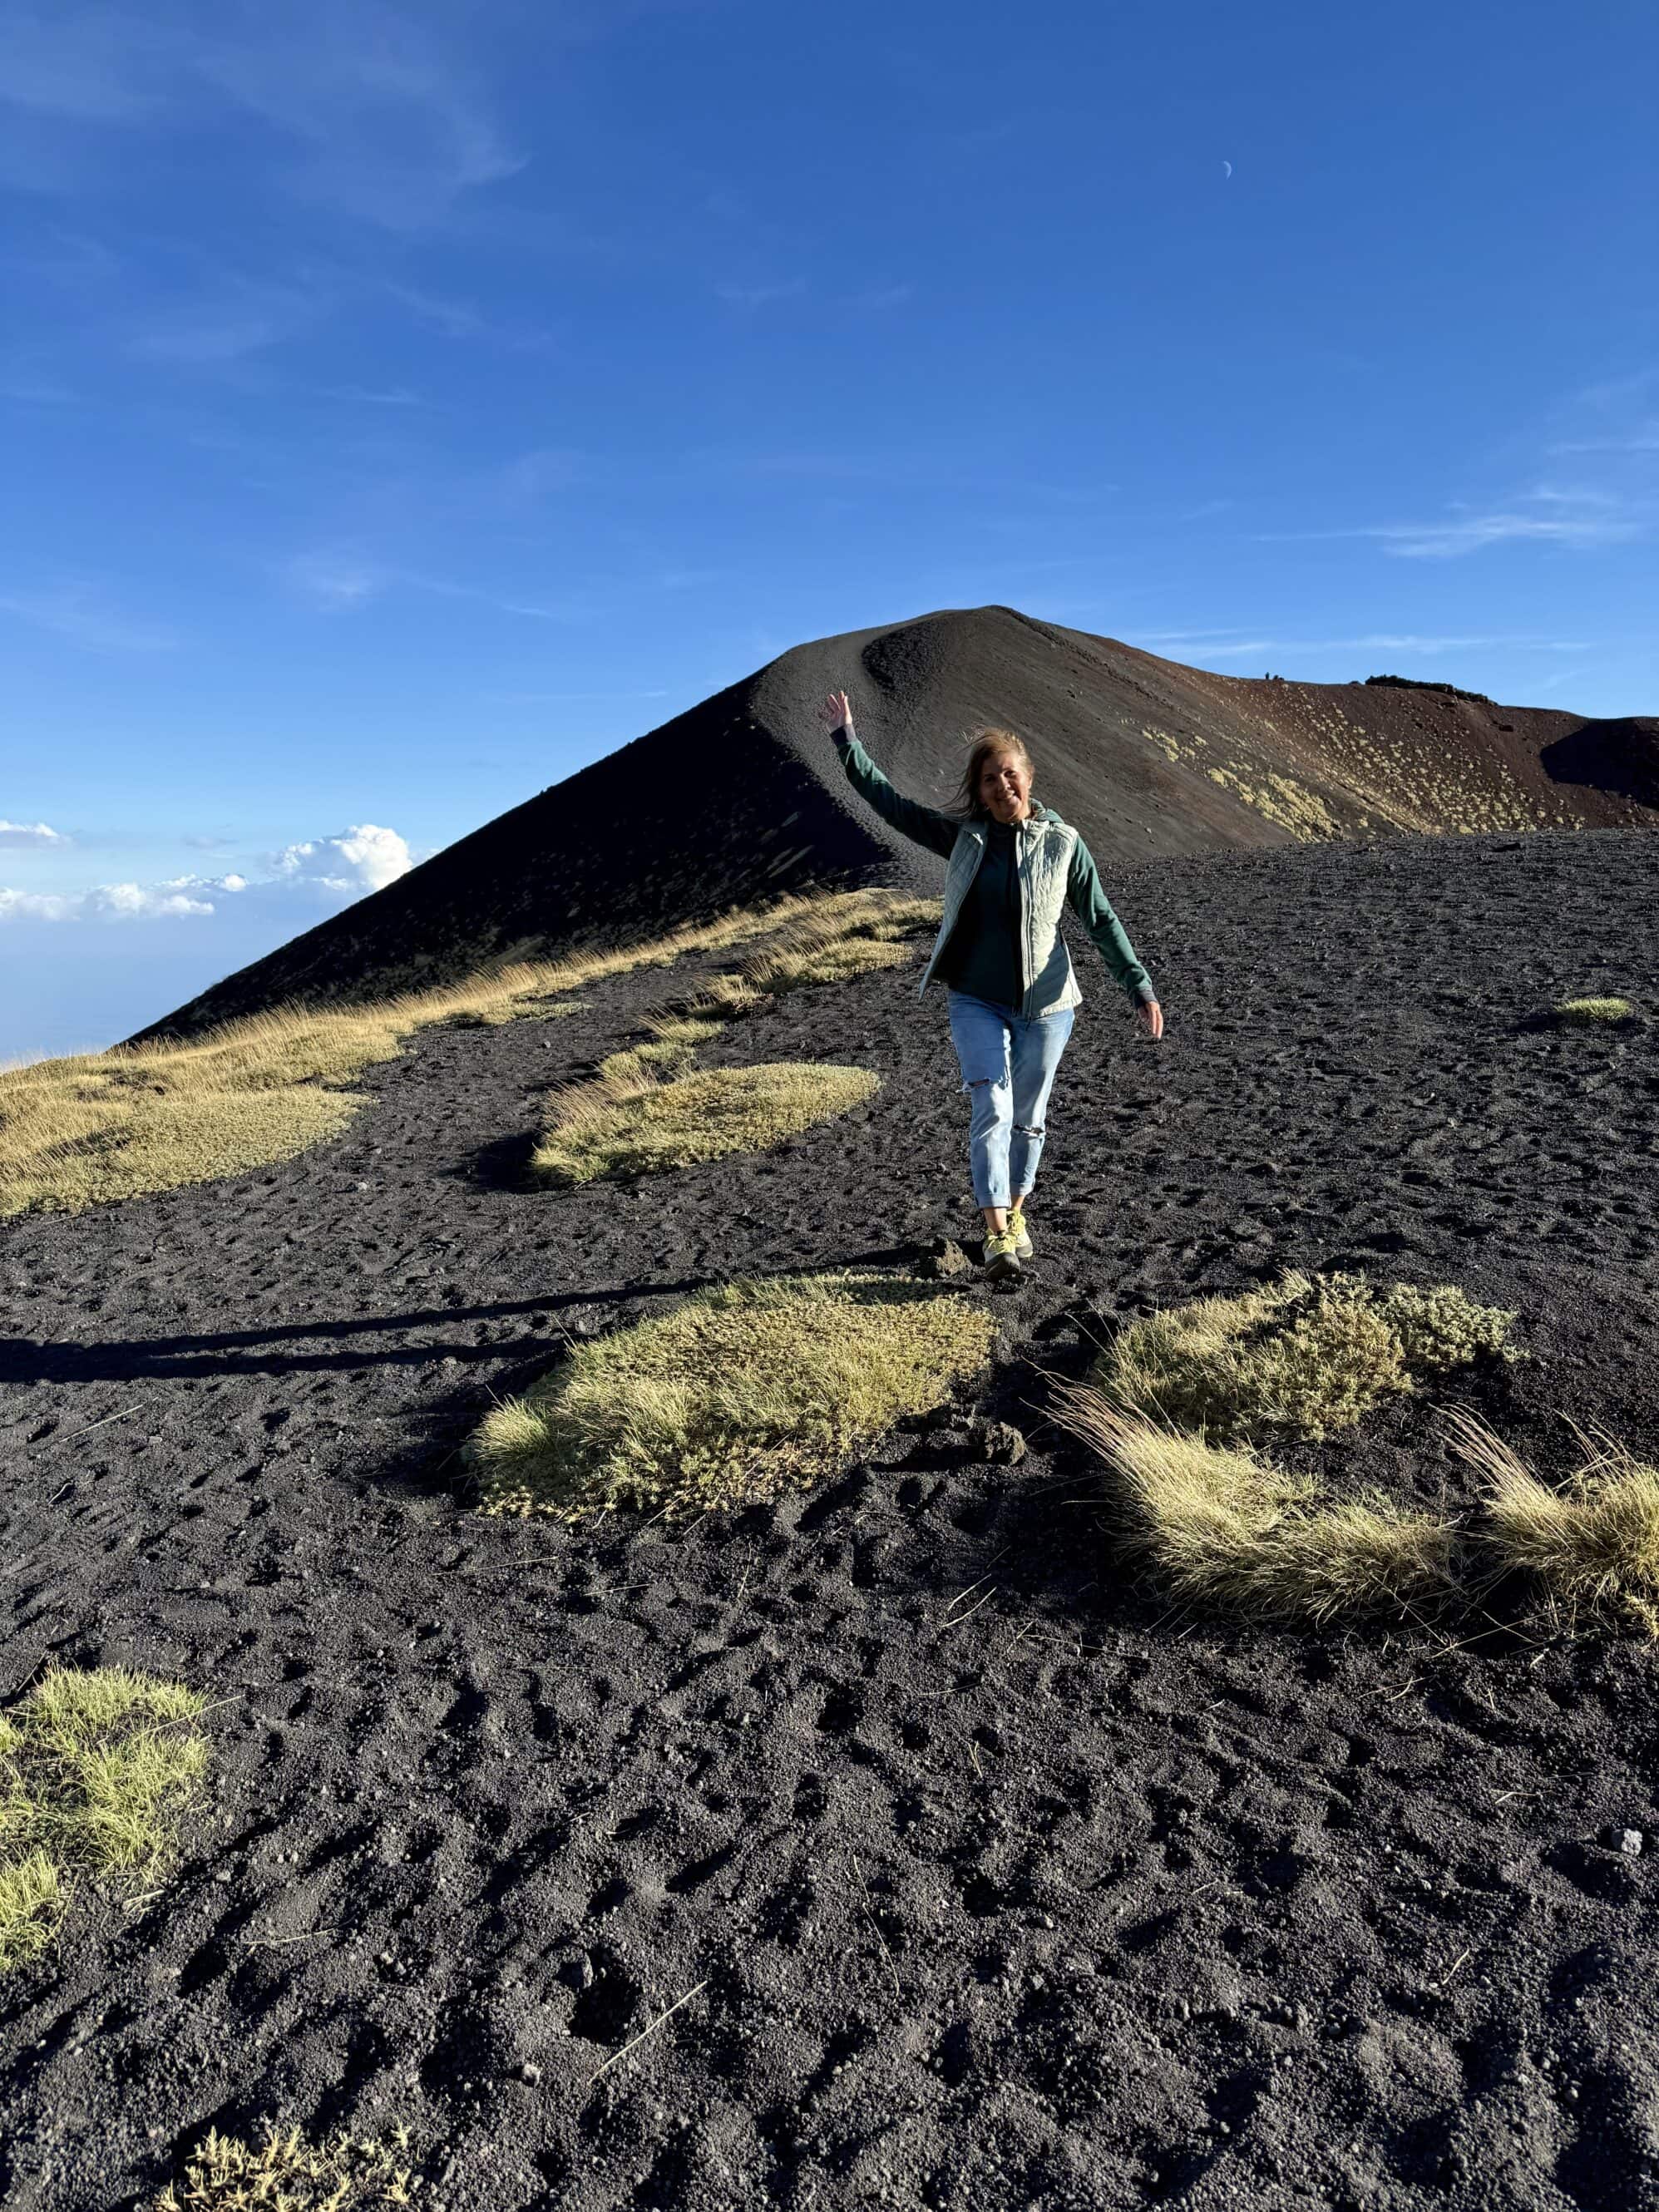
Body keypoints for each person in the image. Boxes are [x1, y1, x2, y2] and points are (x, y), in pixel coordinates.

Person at [818, 689, 1163, 1280]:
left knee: (1030, 1118)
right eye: (988, 780)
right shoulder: (964, 839)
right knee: (992, 1106)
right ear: (977, 792)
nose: (1001, 786)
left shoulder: (1064, 844)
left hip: (1049, 1005)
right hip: (974, 998)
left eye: (1009, 774)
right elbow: (889, 804)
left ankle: (1018, 1214)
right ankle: (995, 1232)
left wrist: (1139, 988)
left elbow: (1099, 918)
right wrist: (846, 743)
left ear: (1028, 778)